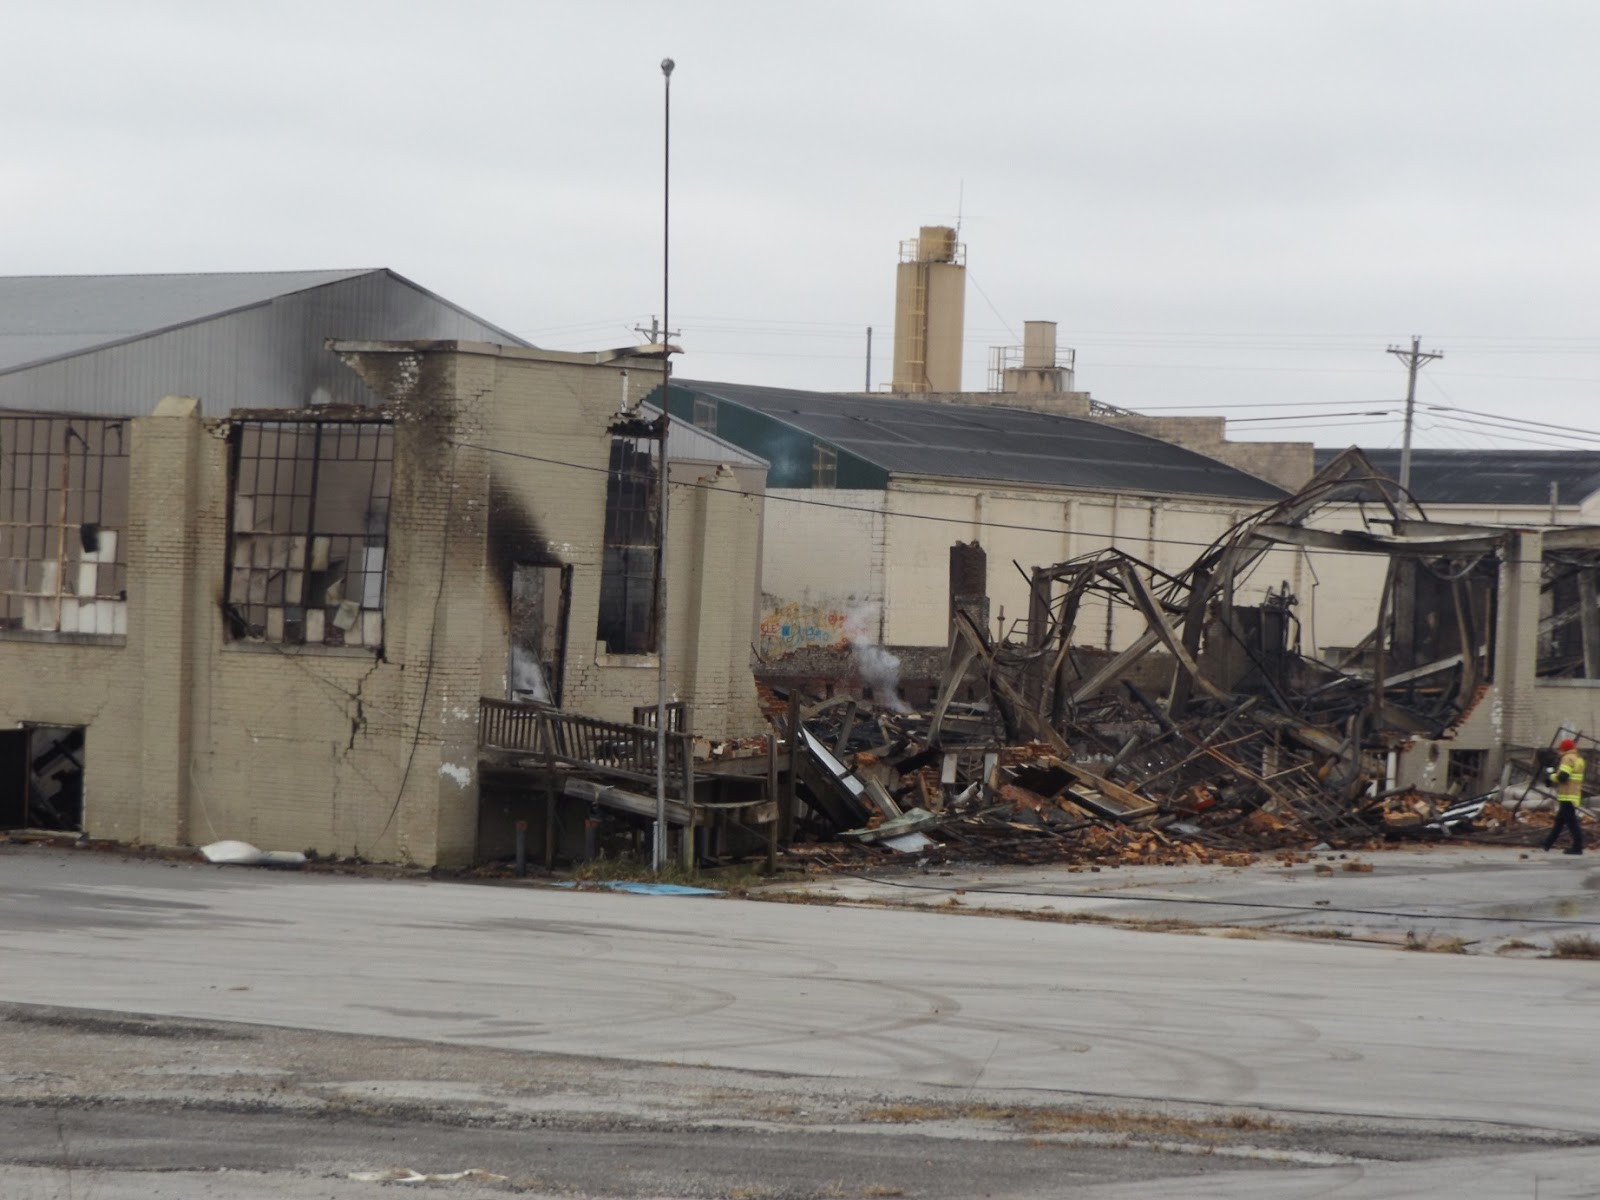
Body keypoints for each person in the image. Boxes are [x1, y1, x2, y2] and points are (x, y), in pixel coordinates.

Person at [1543, 738, 1585, 856]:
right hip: (1572, 794)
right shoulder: (1578, 759)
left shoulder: (1567, 758)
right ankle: (1547, 844)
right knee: (1559, 822)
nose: (1559, 751)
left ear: (1564, 748)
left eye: (1560, 748)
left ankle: (1578, 847)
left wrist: (1550, 777)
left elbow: (1563, 777)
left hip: (1567, 795)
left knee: (1572, 823)